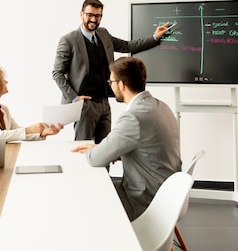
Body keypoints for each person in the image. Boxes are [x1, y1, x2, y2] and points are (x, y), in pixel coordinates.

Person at [71, 57, 181, 221]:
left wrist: (99, 151)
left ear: (121, 84)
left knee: (86, 197)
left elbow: (94, 159)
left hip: (145, 200)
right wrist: (107, 150)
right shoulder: (160, 106)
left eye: (111, 81)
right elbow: (148, 147)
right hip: (168, 195)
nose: (110, 85)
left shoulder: (133, 117)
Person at [52, 0, 170, 143]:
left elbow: (128, 46)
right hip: (84, 106)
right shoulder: (68, 40)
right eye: (90, 15)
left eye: (97, 16)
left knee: (105, 150)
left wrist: (154, 37)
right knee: (83, 149)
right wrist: (75, 98)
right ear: (81, 14)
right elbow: (57, 73)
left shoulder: (103, 34)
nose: (93, 19)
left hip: (104, 102)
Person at [0, 64, 63, 141]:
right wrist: (29, 130)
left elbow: (17, 133)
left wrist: (42, 133)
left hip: (2, 155)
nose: (6, 82)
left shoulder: (3, 109)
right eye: (2, 80)